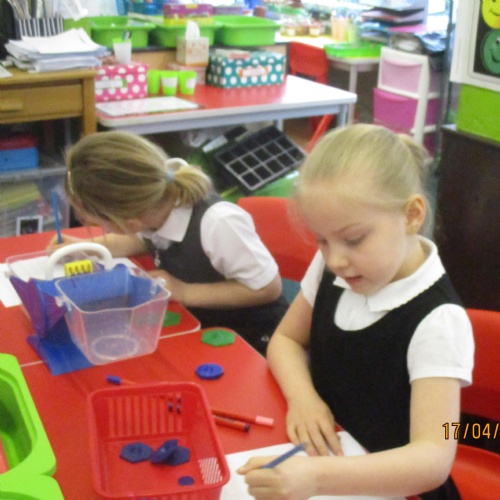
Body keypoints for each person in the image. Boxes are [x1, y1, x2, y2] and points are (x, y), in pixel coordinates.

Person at [238, 124, 474, 499]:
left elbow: (433, 458)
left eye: (353, 239)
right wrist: (303, 398)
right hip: (328, 459)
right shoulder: (336, 265)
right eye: (322, 240)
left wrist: (317, 477)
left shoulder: (439, 322)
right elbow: (286, 339)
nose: (335, 260)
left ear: (412, 215)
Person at [48, 131, 288, 355]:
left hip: (252, 341)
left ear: (129, 220)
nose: (96, 229)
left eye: (97, 224)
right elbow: (138, 239)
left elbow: (267, 288)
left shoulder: (218, 223)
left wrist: (184, 291)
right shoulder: (154, 206)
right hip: (198, 325)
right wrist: (90, 248)